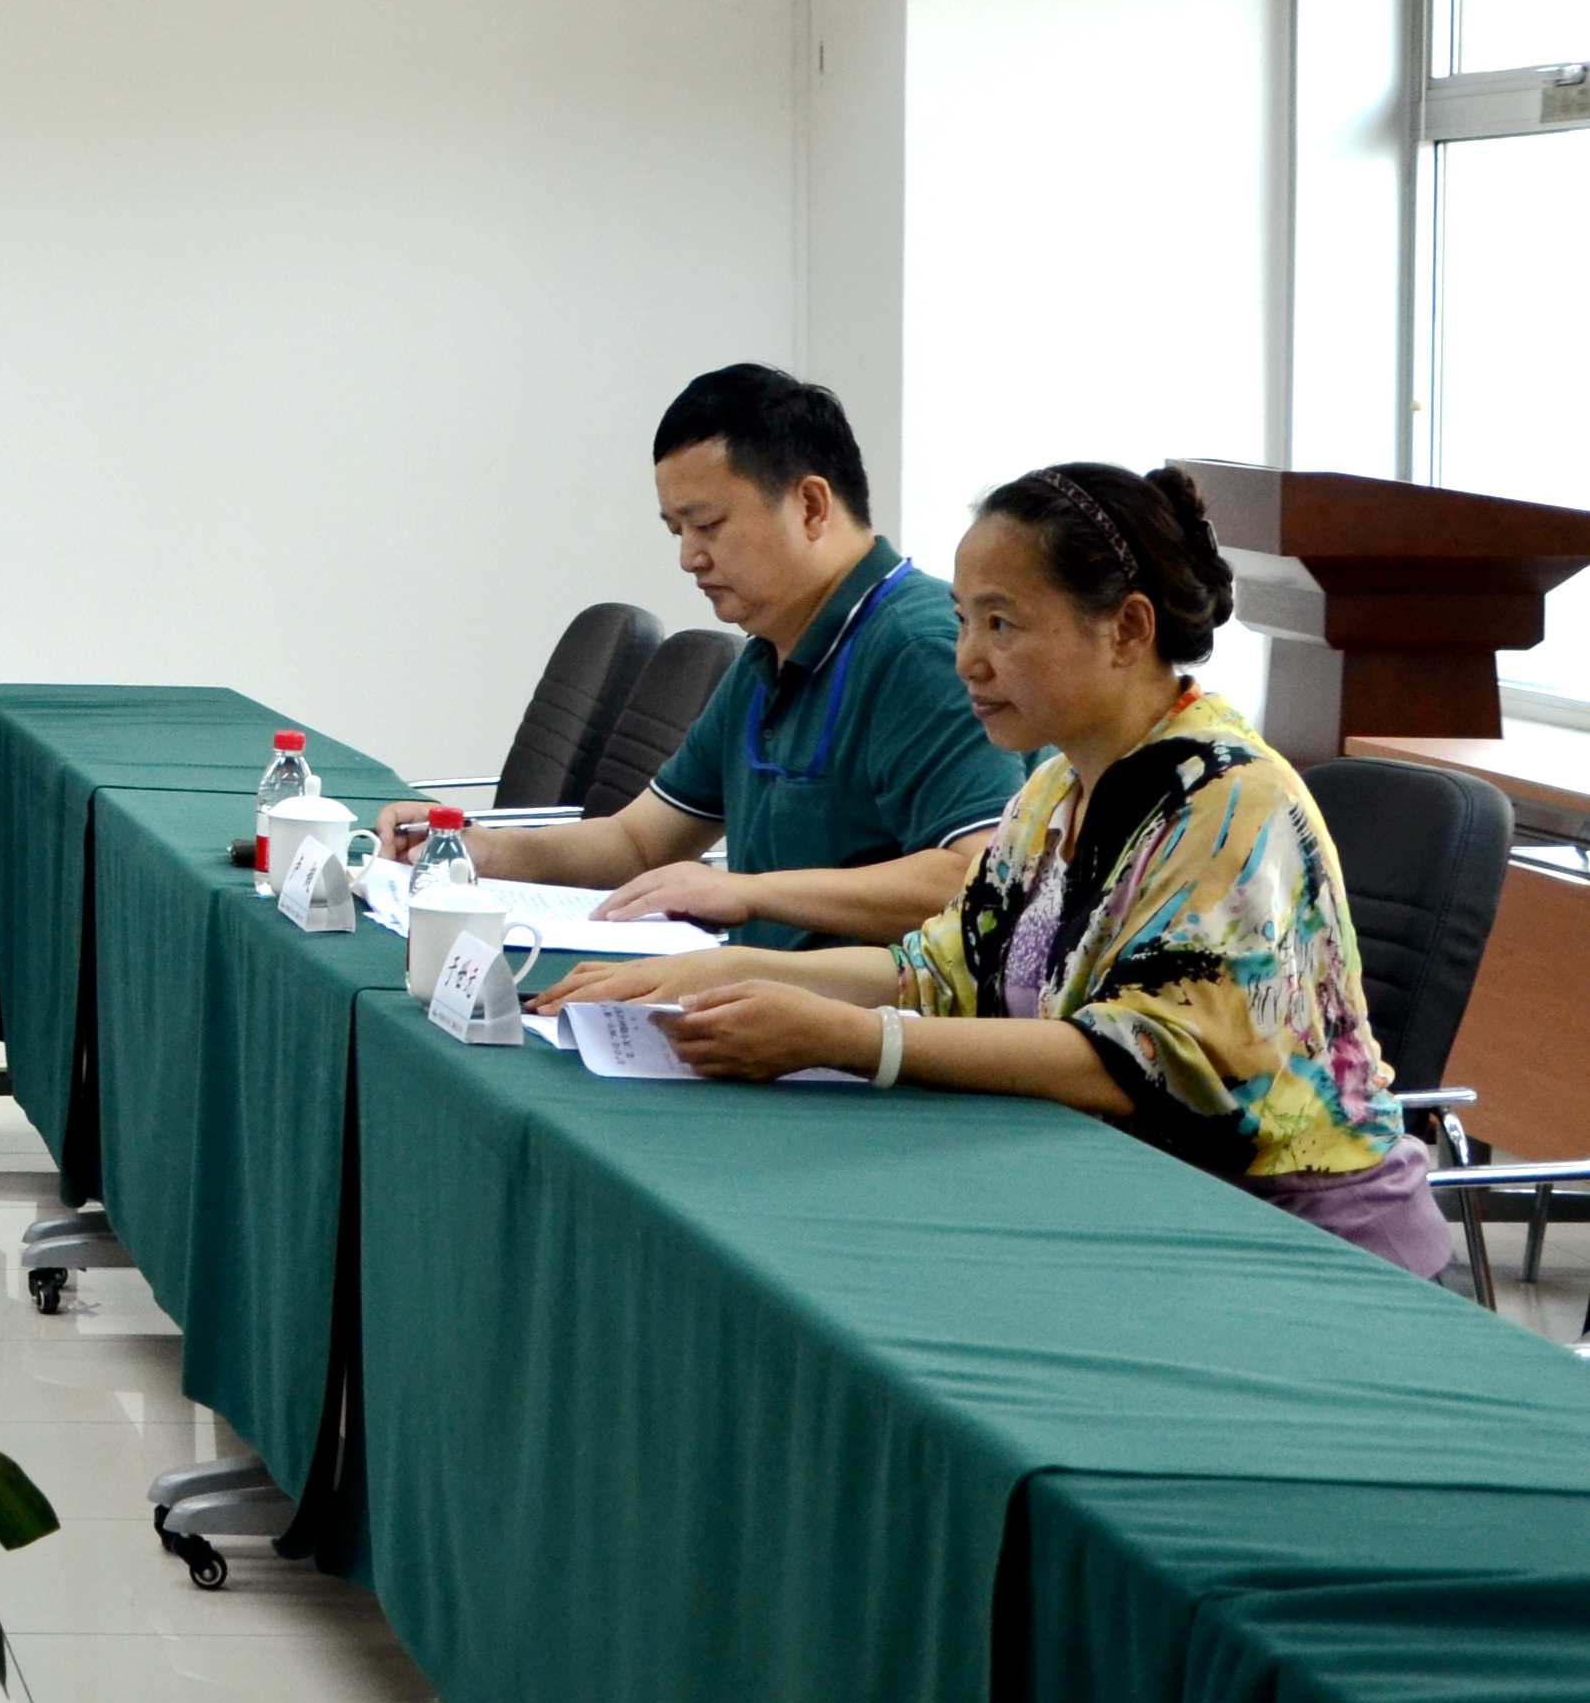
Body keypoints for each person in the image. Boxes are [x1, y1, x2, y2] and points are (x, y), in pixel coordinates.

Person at [550, 465, 1456, 1278]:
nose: (968, 661)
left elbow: (1140, 1061)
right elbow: (938, 970)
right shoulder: (1055, 788)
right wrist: (724, 972)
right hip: (1132, 1200)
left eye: (1002, 624)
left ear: (1127, 630)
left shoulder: (1228, 798)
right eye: (963, 622)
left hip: (1299, 1247)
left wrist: (851, 1038)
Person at [378, 364, 1022, 949]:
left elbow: (972, 877)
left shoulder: (920, 648)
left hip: (862, 1025)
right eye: (677, 531)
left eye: (708, 525)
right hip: (761, 1005)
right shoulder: (768, 655)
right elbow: (639, 841)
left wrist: (748, 894)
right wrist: (483, 850)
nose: (689, 557)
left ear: (810, 506)